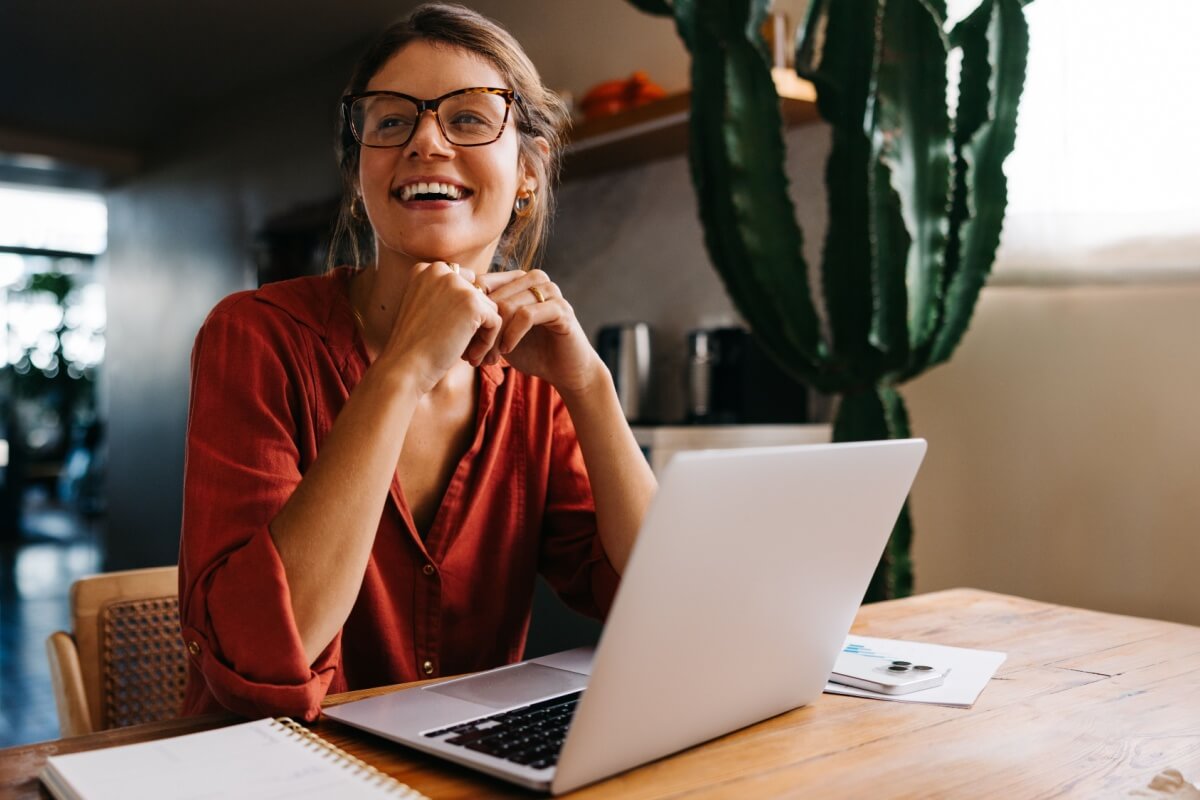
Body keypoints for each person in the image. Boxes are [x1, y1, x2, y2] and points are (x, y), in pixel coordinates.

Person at [178, 2, 656, 722]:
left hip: (462, 770)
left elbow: (659, 599)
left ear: (528, 171)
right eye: (392, 121)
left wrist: (590, 385)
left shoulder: (539, 383)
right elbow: (265, 656)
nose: (426, 141)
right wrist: (401, 371)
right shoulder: (253, 335)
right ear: (360, 171)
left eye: (467, 118)